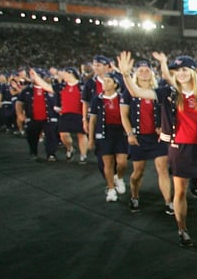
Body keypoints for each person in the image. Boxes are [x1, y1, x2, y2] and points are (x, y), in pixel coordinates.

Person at [118, 51, 197, 250]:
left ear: (193, 71)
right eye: (177, 71)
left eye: (185, 69)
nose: (181, 74)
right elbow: (137, 93)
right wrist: (126, 75)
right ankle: (182, 229)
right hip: (179, 150)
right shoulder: (166, 92)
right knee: (180, 192)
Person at [120, 59, 173, 215]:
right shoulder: (128, 92)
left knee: (162, 169)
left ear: (152, 73)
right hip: (138, 138)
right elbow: (123, 115)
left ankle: (168, 202)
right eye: (141, 70)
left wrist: (164, 128)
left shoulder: (159, 91)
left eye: (147, 70)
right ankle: (135, 196)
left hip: (157, 138)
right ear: (136, 73)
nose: (144, 72)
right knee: (138, 172)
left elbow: (169, 112)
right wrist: (129, 134)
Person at [86, 71, 129, 202]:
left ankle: (119, 177)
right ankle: (110, 189)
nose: (104, 83)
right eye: (104, 81)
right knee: (108, 163)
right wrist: (91, 138)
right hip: (104, 133)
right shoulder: (96, 99)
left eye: (108, 81)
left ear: (116, 84)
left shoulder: (122, 98)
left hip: (120, 133)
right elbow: (92, 120)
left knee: (122, 162)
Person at [55, 66, 88, 163]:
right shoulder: (61, 86)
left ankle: (83, 155)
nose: (63, 76)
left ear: (70, 74)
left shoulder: (82, 86)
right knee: (63, 134)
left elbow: (87, 100)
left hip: (79, 113)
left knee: (81, 134)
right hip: (65, 113)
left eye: (65, 73)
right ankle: (70, 148)